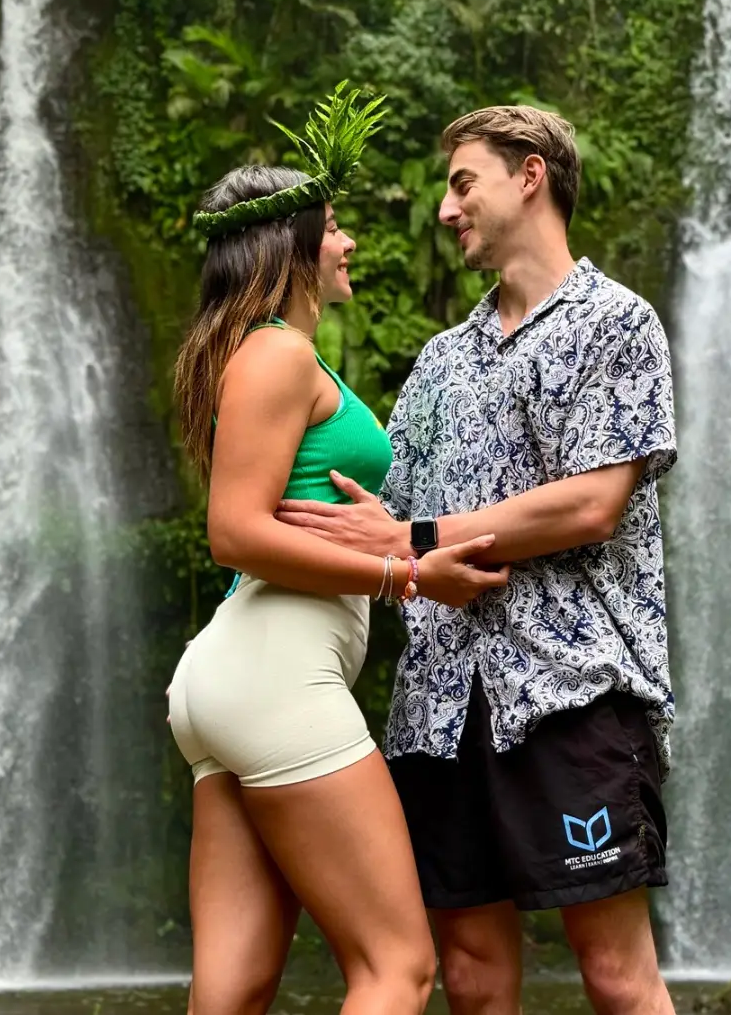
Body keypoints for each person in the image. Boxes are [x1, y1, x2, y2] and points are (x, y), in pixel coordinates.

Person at [276, 104, 678, 1015]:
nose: (446, 210)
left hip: (571, 691)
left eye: (463, 184)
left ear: (530, 174)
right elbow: (384, 522)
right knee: (471, 975)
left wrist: (415, 539)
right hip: (438, 709)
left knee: (616, 975)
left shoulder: (617, 323)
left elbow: (591, 504)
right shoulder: (439, 362)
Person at [167, 85, 510, 1015]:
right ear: (290, 248)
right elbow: (235, 532)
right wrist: (408, 575)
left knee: (233, 988)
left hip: (229, 681)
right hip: (276, 675)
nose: (348, 242)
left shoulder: (261, 353)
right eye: (332, 229)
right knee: (396, 966)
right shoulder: (277, 353)